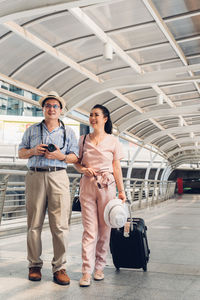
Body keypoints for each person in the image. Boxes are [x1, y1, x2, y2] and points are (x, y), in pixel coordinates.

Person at [18, 91, 79, 285]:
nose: (51, 109)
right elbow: (21, 153)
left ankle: (59, 268)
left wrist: (60, 156)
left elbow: (75, 157)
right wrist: (33, 151)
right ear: (43, 109)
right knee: (34, 224)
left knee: (60, 225)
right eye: (48, 106)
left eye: (55, 106)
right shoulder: (32, 130)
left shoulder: (68, 132)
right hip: (35, 175)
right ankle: (34, 265)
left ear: (60, 110)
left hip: (58, 176)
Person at [74, 104, 126, 287]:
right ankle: (86, 271)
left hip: (108, 186)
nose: (92, 118)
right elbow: (77, 163)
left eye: (96, 115)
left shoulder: (113, 141)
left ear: (105, 118)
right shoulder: (83, 139)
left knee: (105, 229)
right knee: (89, 230)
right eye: (90, 115)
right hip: (87, 186)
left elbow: (117, 167)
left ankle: (99, 268)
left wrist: (121, 191)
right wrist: (83, 169)